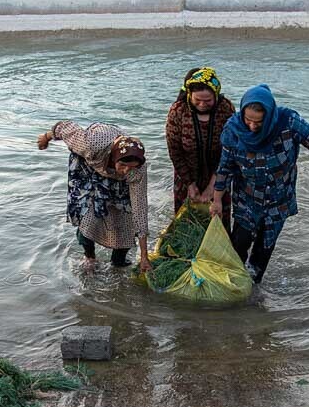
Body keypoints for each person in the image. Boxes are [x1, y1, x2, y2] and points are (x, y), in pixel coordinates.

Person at [209, 84, 309, 284]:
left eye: (258, 122)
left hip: (278, 199)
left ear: (269, 115)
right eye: (248, 119)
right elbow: (225, 167)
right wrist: (216, 199)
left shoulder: (289, 123)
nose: (251, 126)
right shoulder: (233, 130)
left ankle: (252, 291)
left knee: (263, 250)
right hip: (246, 199)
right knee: (238, 245)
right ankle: (232, 287)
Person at [37, 121, 152, 273]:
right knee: (88, 216)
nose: (126, 171)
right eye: (123, 165)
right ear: (115, 158)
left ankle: (118, 262)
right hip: (88, 165)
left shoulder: (137, 170)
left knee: (125, 216)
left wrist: (144, 255)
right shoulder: (91, 144)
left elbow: (140, 207)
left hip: (113, 174)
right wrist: (46, 137)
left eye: (132, 167)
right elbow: (65, 129)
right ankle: (89, 257)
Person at [165, 66, 237, 228]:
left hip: (220, 173)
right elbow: (175, 152)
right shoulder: (178, 111)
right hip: (186, 175)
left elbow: (230, 151)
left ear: (216, 95)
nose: (202, 104)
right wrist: (190, 184)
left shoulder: (226, 109)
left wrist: (214, 185)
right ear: (189, 95)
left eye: (208, 100)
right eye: (197, 100)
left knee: (218, 221)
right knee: (187, 224)